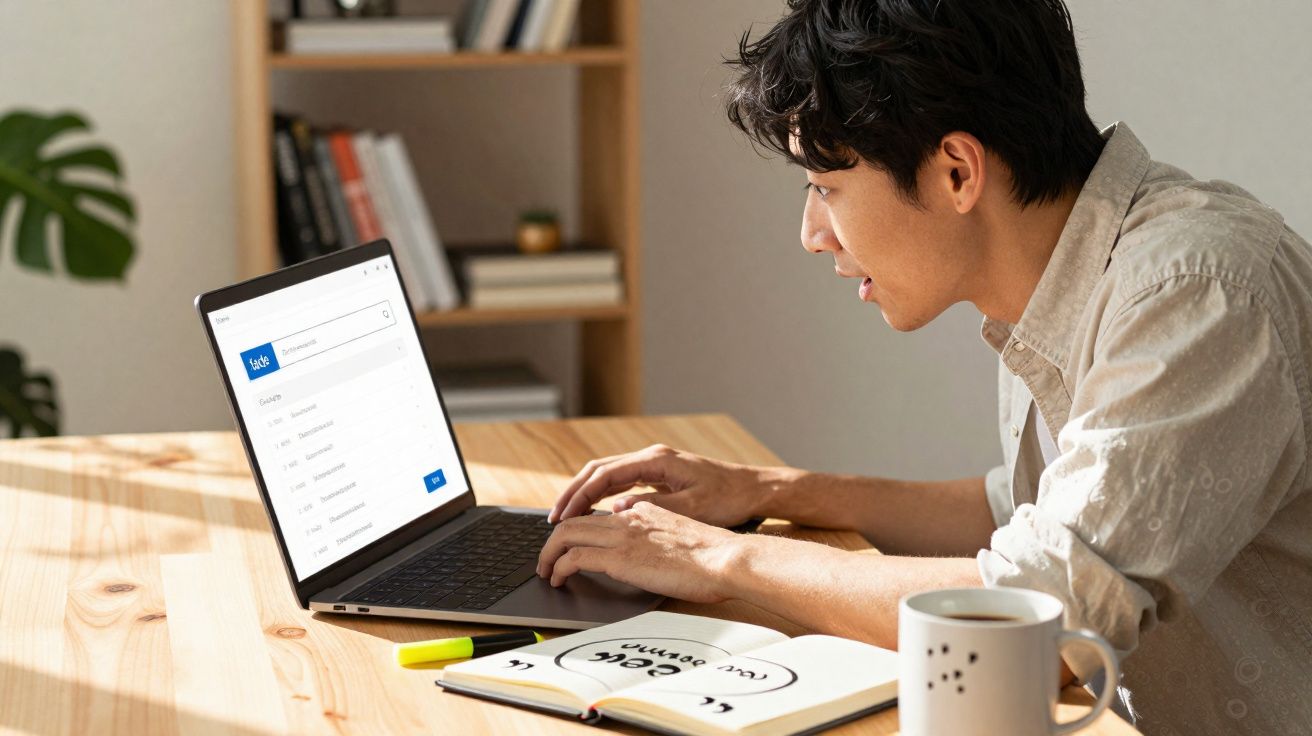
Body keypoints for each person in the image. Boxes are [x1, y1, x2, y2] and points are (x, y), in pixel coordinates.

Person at [535, 1, 1312, 732]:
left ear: (956, 172)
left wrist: (714, 556)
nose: (812, 233)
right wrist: (770, 491)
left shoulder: (1196, 295)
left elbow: (1039, 616)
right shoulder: (1057, 270)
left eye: (826, 187)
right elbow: (1023, 515)